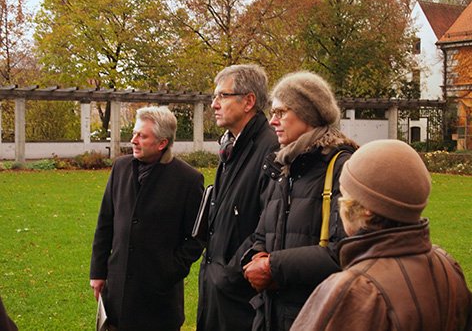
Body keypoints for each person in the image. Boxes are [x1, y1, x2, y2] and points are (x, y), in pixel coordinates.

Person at [291, 139, 472, 331]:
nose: (340, 204)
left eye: (344, 195)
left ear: (365, 209)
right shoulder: (447, 266)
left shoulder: (355, 290)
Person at [242, 71, 358, 331]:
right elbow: (262, 233)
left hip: (316, 315)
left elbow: (346, 250)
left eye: (281, 112)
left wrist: (273, 267)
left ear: (308, 114)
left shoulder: (343, 167)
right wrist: (255, 257)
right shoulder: (284, 167)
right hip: (271, 314)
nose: (272, 121)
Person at [89, 106, 204, 331]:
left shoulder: (188, 180)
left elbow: (196, 238)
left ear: (162, 143)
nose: (133, 140)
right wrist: (98, 272)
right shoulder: (120, 168)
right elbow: (105, 223)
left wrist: (169, 269)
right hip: (117, 294)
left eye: (142, 136)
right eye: (134, 133)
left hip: (158, 302)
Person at [197, 64, 279, 331]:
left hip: (240, 297)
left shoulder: (271, 149)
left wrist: (229, 275)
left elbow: (269, 224)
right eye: (214, 96)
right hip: (219, 290)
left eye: (222, 95)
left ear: (249, 101)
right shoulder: (231, 144)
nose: (214, 104)